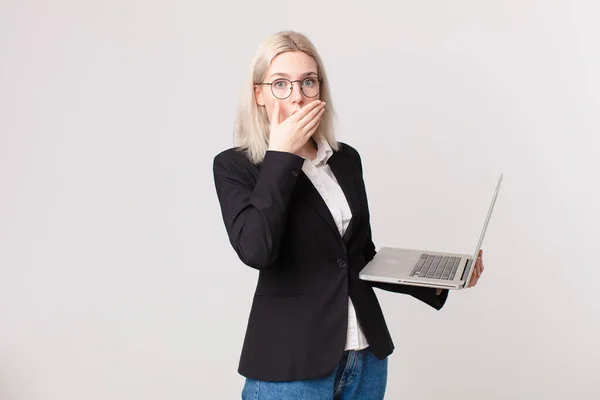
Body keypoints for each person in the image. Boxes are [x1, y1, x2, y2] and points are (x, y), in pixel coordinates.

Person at [212, 30, 485, 400]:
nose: (297, 96)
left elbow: (359, 257)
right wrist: (282, 156)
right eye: (280, 84)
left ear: (320, 89)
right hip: (292, 365)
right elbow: (257, 250)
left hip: (365, 357)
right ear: (258, 94)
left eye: (308, 82)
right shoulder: (237, 166)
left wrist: (440, 279)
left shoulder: (344, 159)